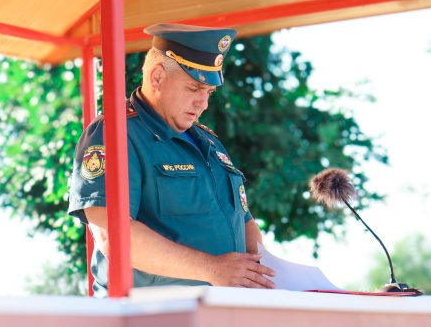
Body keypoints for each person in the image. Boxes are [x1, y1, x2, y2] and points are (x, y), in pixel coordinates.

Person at [68, 23, 276, 297]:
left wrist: (270, 277)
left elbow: (244, 223)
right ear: (156, 77)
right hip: (148, 315)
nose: (203, 103)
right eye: (194, 88)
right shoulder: (115, 133)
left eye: (209, 92)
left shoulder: (211, 143)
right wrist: (212, 269)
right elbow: (112, 235)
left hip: (222, 312)